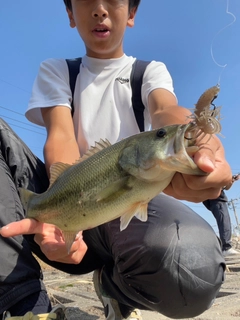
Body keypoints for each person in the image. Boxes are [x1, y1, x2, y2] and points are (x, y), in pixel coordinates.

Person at [0, 0, 233, 319]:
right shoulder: (56, 70)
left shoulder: (150, 72)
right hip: (67, 213)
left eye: (113, 1)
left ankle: (116, 290)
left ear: (132, 13)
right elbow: (62, 136)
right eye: (87, 2)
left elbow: (164, 110)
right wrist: (63, 211)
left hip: (133, 213)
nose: (100, 9)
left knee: (195, 267)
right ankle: (21, 300)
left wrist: (196, 133)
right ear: (70, 14)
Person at [203, 189, 240, 257]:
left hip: (212, 198)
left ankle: (226, 247)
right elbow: (227, 185)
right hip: (216, 198)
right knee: (224, 220)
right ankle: (226, 247)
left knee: (223, 220)